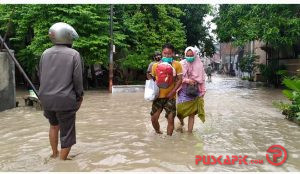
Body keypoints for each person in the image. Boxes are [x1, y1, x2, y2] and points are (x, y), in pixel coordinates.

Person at [38, 22, 83, 160]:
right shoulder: (74, 54)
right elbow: (77, 80)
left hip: (46, 99)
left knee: (53, 126)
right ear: (67, 37)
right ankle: (62, 163)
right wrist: (80, 96)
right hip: (65, 99)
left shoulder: (45, 53)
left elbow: (41, 75)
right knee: (67, 132)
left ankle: (54, 154)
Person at [150, 43, 183, 136]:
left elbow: (180, 80)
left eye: (169, 54)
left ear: (173, 53)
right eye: (165, 53)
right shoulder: (155, 66)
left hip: (171, 97)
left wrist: (173, 92)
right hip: (158, 97)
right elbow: (153, 80)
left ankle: (168, 140)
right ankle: (158, 132)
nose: (167, 55)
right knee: (154, 118)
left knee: (171, 119)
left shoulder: (177, 65)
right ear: (162, 53)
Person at [177, 46, 206, 133]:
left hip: (195, 90)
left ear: (194, 55)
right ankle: (181, 122)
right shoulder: (181, 64)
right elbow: (178, 77)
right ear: (185, 55)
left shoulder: (199, 64)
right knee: (180, 111)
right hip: (183, 90)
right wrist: (187, 80)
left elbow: (202, 79)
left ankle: (189, 133)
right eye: (187, 55)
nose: (189, 57)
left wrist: (203, 91)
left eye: (191, 55)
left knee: (192, 114)